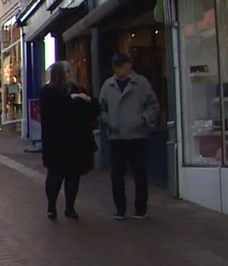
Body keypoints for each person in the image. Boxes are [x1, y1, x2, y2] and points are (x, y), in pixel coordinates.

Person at [100, 53, 160, 220]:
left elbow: (154, 106)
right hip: (116, 137)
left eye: (121, 65)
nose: (118, 69)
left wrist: (143, 120)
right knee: (117, 174)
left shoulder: (141, 84)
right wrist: (108, 121)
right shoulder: (108, 85)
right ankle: (120, 209)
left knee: (139, 173)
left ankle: (141, 209)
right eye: (115, 66)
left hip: (137, 136)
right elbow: (102, 108)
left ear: (128, 66)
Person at [41, 61, 99, 220]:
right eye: (67, 72)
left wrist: (83, 99)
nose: (70, 74)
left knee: (73, 176)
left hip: (76, 142)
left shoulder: (78, 90)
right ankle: (51, 207)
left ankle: (70, 207)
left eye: (71, 71)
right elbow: (53, 113)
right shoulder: (48, 92)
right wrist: (73, 101)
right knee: (55, 175)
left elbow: (93, 107)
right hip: (57, 143)